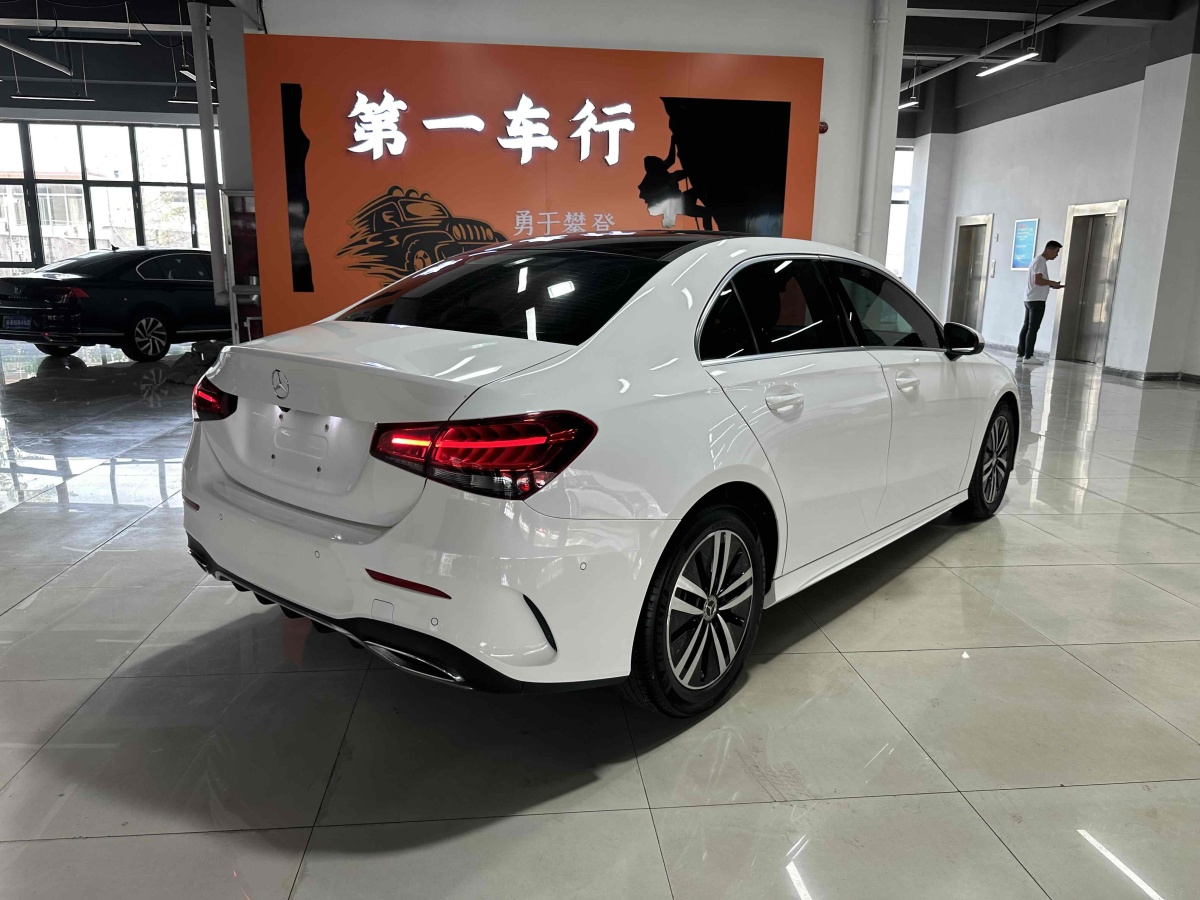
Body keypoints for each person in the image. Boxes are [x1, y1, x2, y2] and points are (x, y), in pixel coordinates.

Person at [1017, 240, 1063, 364]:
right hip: (1037, 300)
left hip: (1030, 298)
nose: (1057, 255)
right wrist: (1052, 283)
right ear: (1049, 250)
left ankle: (1021, 354)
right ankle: (1028, 356)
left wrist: (1052, 285)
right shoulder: (1040, 261)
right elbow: (1038, 281)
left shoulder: (1037, 261)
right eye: (1056, 251)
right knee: (1033, 328)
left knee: (1027, 326)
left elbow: (1039, 280)